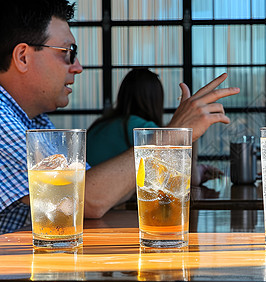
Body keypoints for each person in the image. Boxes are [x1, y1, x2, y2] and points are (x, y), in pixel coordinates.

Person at [0, 0, 240, 234]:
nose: (78, 66)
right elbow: (85, 199)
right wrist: (173, 132)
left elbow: (105, 191)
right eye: (69, 52)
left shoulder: (34, 120)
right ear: (23, 56)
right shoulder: (2, 119)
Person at [87, 68, 222, 185]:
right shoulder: (143, 129)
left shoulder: (100, 124)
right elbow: (186, 180)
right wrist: (191, 129)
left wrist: (200, 169)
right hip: (113, 210)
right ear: (156, 100)